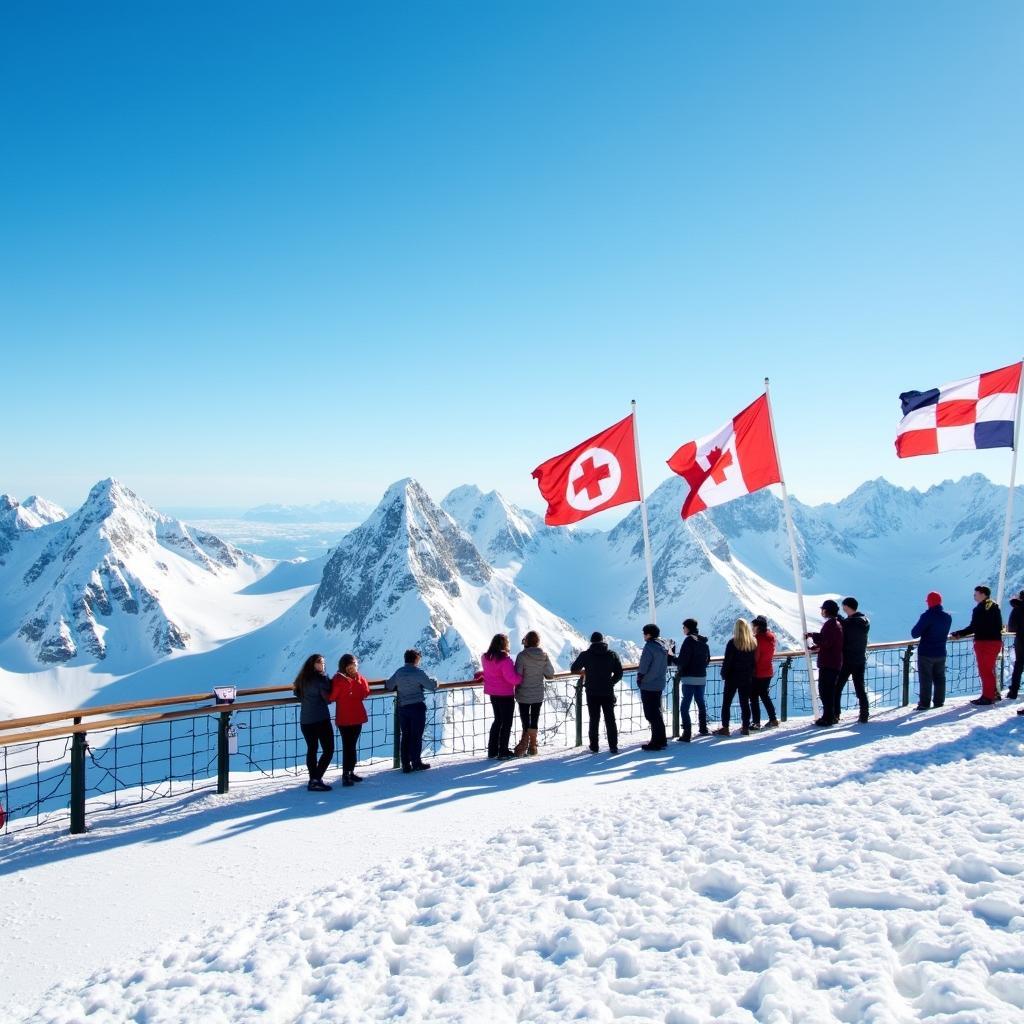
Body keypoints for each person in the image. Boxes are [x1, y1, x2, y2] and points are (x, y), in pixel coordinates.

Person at [384, 649, 438, 772]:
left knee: (406, 735)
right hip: (417, 707)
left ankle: (405, 764)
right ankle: (416, 762)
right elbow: (431, 686)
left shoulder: (399, 672)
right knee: (416, 736)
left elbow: (389, 686)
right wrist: (435, 681)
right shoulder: (418, 672)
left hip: (403, 708)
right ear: (416, 660)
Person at [570, 631, 623, 753]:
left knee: (594, 719)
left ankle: (594, 746)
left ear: (591, 642)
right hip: (608, 691)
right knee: (610, 719)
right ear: (603, 641)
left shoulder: (586, 655)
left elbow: (574, 669)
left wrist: (585, 672)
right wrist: (611, 682)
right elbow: (619, 673)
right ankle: (613, 746)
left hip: (592, 692)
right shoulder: (612, 654)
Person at [951, 585, 1004, 705]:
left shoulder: (980, 609)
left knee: (985, 670)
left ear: (983, 594)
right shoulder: (994, 606)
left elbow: (974, 627)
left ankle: (987, 696)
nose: (974, 596)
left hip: (984, 642)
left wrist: (959, 633)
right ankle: (993, 693)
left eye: (976, 593)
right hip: (995, 641)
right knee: (989, 669)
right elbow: (998, 626)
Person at [292, 653, 335, 791]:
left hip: (306, 721)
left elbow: (297, 693)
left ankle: (313, 779)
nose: (322, 665)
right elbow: (328, 699)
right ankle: (316, 779)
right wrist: (326, 677)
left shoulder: (302, 679)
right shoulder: (320, 680)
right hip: (320, 719)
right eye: (320, 662)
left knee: (312, 749)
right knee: (328, 750)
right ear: (313, 664)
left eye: (323, 662)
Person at [478, 634, 522, 759]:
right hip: (505, 695)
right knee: (506, 723)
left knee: (497, 721)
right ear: (504, 645)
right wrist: (521, 677)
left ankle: (492, 750)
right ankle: (503, 751)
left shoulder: (485, 658)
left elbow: (491, 672)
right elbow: (512, 679)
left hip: (493, 694)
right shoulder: (505, 660)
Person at [330, 653, 370, 786]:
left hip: (356, 716)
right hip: (345, 719)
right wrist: (350, 681)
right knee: (348, 746)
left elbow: (365, 693)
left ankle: (350, 772)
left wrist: (357, 678)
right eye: (350, 667)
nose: (353, 669)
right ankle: (345, 774)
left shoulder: (358, 678)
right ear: (344, 667)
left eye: (355, 666)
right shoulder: (338, 680)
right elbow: (332, 697)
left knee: (352, 746)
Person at [513, 631, 554, 756]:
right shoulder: (544, 655)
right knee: (535, 719)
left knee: (525, 719)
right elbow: (550, 674)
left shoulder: (521, 656)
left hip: (523, 693)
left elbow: (517, 675)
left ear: (526, 641)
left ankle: (523, 745)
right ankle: (533, 746)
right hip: (537, 694)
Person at [911, 592, 952, 710]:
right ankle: (939, 702)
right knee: (940, 677)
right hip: (941, 651)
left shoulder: (927, 616)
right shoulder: (947, 616)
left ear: (929, 602)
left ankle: (924, 703)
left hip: (926, 652)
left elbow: (915, 633)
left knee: (926, 678)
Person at [715, 618, 757, 736]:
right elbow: (753, 661)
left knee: (727, 702)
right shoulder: (752, 642)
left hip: (732, 677)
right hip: (747, 676)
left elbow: (728, 661)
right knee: (745, 703)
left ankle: (725, 727)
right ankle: (745, 727)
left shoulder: (732, 643)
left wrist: (724, 673)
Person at [672, 618, 710, 741]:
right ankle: (703, 728)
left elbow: (682, 661)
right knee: (701, 703)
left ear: (687, 628)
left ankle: (687, 733)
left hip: (689, 678)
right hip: (701, 677)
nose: (683, 630)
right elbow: (707, 659)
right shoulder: (703, 641)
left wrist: (671, 656)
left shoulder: (688, 641)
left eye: (683, 627)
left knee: (685, 706)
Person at [807, 600, 844, 726]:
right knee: (829, 691)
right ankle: (831, 716)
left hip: (829, 663)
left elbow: (827, 642)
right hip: (834, 662)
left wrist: (814, 638)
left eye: (823, 609)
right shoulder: (836, 624)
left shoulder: (831, 624)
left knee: (825, 691)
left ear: (826, 611)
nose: (821, 611)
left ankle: (828, 717)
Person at [836, 597, 870, 724]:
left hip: (847, 660)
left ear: (847, 607)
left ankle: (836, 714)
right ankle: (864, 714)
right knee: (860, 688)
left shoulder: (851, 623)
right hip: (860, 659)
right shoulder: (864, 620)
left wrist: (838, 618)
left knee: (837, 687)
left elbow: (846, 626)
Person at [637, 624, 670, 750]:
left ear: (649, 634)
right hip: (659, 683)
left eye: (644, 633)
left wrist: (640, 678)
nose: (644, 635)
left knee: (651, 714)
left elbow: (644, 665)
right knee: (657, 712)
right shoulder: (662, 646)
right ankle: (661, 739)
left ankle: (656, 742)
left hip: (648, 684)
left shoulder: (649, 647)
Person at [750, 616, 779, 729]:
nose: (752, 628)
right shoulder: (771, 636)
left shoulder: (757, 639)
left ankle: (756, 722)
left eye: (753, 626)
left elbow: (756, 657)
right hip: (768, 671)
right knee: (764, 695)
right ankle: (773, 719)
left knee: (753, 696)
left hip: (758, 672)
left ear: (757, 627)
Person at [1007, 590, 1024, 700]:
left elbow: (1011, 628)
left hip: (1021, 640)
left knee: (1019, 665)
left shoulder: (1017, 609)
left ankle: (1013, 691)